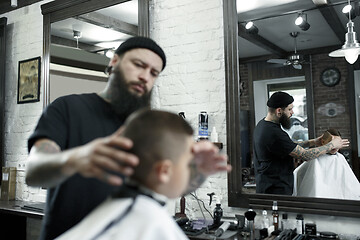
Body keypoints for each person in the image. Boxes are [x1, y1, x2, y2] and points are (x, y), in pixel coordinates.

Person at [25, 36, 231, 240]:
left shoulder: (145, 127)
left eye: (154, 73)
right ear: (114, 62)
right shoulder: (67, 108)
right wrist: (77, 159)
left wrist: (198, 173)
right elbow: (34, 171)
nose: (145, 77)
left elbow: (162, 184)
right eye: (139, 65)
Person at [56, 109, 193, 240]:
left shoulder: (114, 210)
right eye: (189, 164)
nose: (191, 171)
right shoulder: (155, 224)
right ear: (164, 171)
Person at [253, 91, 349, 195]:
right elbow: (305, 155)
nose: (292, 113)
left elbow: (287, 145)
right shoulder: (274, 133)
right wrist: (332, 145)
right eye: (289, 109)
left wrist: (312, 142)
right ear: (279, 111)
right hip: (275, 191)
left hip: (267, 185)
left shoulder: (263, 125)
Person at [293, 128, 360, 200]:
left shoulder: (340, 158)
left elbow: (350, 185)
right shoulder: (315, 159)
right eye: (332, 142)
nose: (335, 145)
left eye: (337, 142)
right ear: (323, 141)